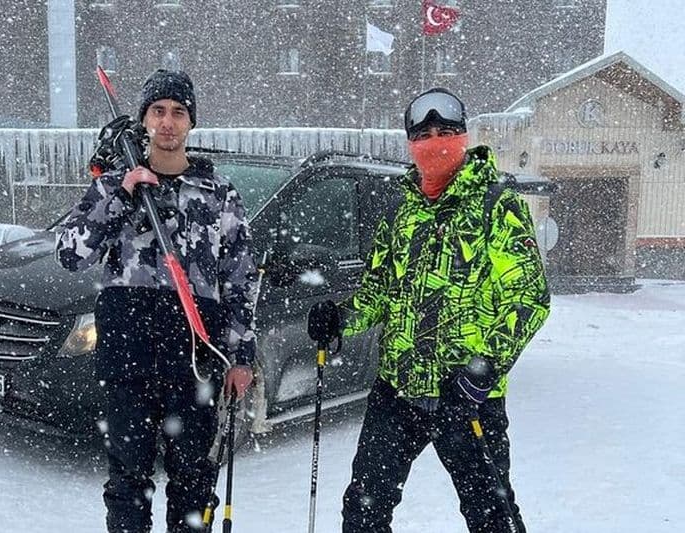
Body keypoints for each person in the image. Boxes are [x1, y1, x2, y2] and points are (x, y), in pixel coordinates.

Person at [308, 87, 550, 533]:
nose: (435, 143)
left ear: (464, 138)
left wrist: (484, 367)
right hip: (398, 391)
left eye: (445, 132)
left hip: (467, 397)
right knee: (363, 511)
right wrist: (341, 317)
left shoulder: (496, 205)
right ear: (410, 145)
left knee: (492, 516)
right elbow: (379, 290)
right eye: (423, 135)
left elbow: (529, 297)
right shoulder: (401, 211)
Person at [55, 69, 257, 533]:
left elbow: (240, 279)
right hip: (129, 353)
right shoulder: (114, 185)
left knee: (193, 479)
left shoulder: (218, 193)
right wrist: (123, 195)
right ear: (145, 119)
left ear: (191, 122)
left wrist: (241, 355)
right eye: (158, 111)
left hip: (195, 354)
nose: (168, 122)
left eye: (178, 112)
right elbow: (70, 254)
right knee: (128, 480)